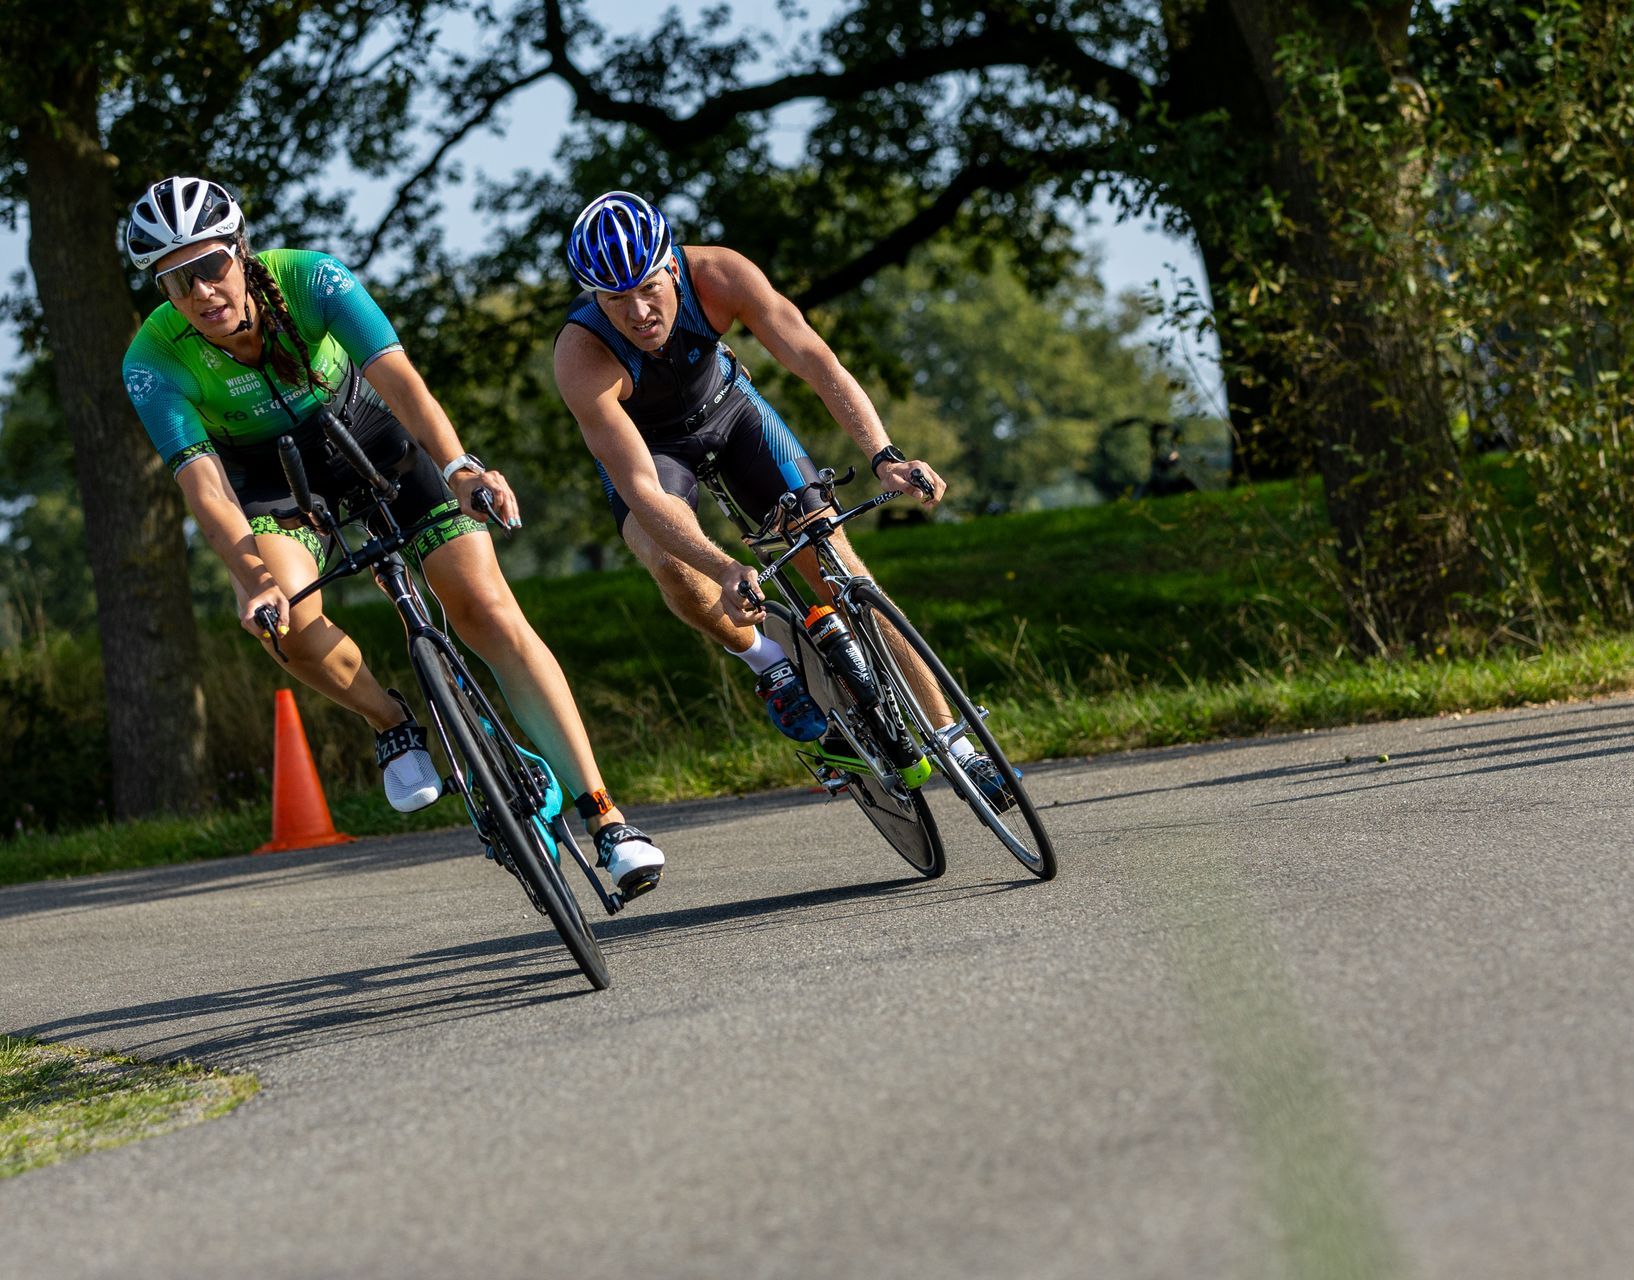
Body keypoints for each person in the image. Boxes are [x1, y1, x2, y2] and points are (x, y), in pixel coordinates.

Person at [119, 175, 667, 896]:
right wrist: (253, 579)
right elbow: (206, 488)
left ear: (241, 250)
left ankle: (607, 818)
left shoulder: (312, 277)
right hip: (270, 477)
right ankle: (391, 721)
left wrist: (460, 465)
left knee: (485, 607)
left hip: (368, 435)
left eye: (210, 265)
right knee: (283, 621)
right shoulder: (152, 360)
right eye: (174, 281)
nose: (200, 292)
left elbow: (400, 380)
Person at [551, 190, 1014, 807]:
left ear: (672, 266)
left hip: (730, 411)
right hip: (650, 450)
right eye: (614, 299)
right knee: (668, 560)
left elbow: (815, 360)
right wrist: (724, 567)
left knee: (836, 564)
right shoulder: (581, 354)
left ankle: (956, 742)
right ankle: (768, 663)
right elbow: (640, 487)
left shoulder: (719, 275)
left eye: (648, 288)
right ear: (593, 298)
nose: (638, 312)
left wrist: (885, 455)